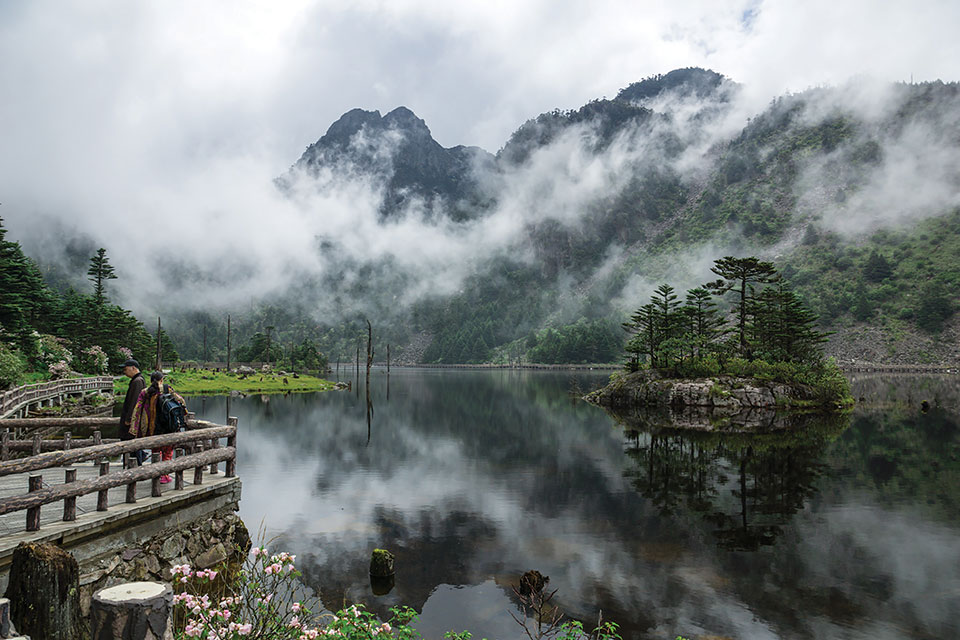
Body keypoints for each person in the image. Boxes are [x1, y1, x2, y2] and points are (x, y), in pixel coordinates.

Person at [130, 371, 186, 484]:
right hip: (167, 426)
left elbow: (137, 409)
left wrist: (134, 428)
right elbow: (181, 401)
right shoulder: (167, 389)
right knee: (168, 451)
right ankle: (164, 475)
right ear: (161, 380)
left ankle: (156, 473)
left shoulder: (145, 392)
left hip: (152, 428)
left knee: (156, 450)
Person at [119, 358, 147, 465]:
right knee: (133, 445)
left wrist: (129, 419)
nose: (124, 372)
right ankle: (136, 463)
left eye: (126, 369)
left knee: (132, 445)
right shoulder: (138, 380)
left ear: (133, 368)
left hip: (132, 422)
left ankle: (136, 466)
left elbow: (135, 402)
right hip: (133, 421)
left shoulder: (137, 381)